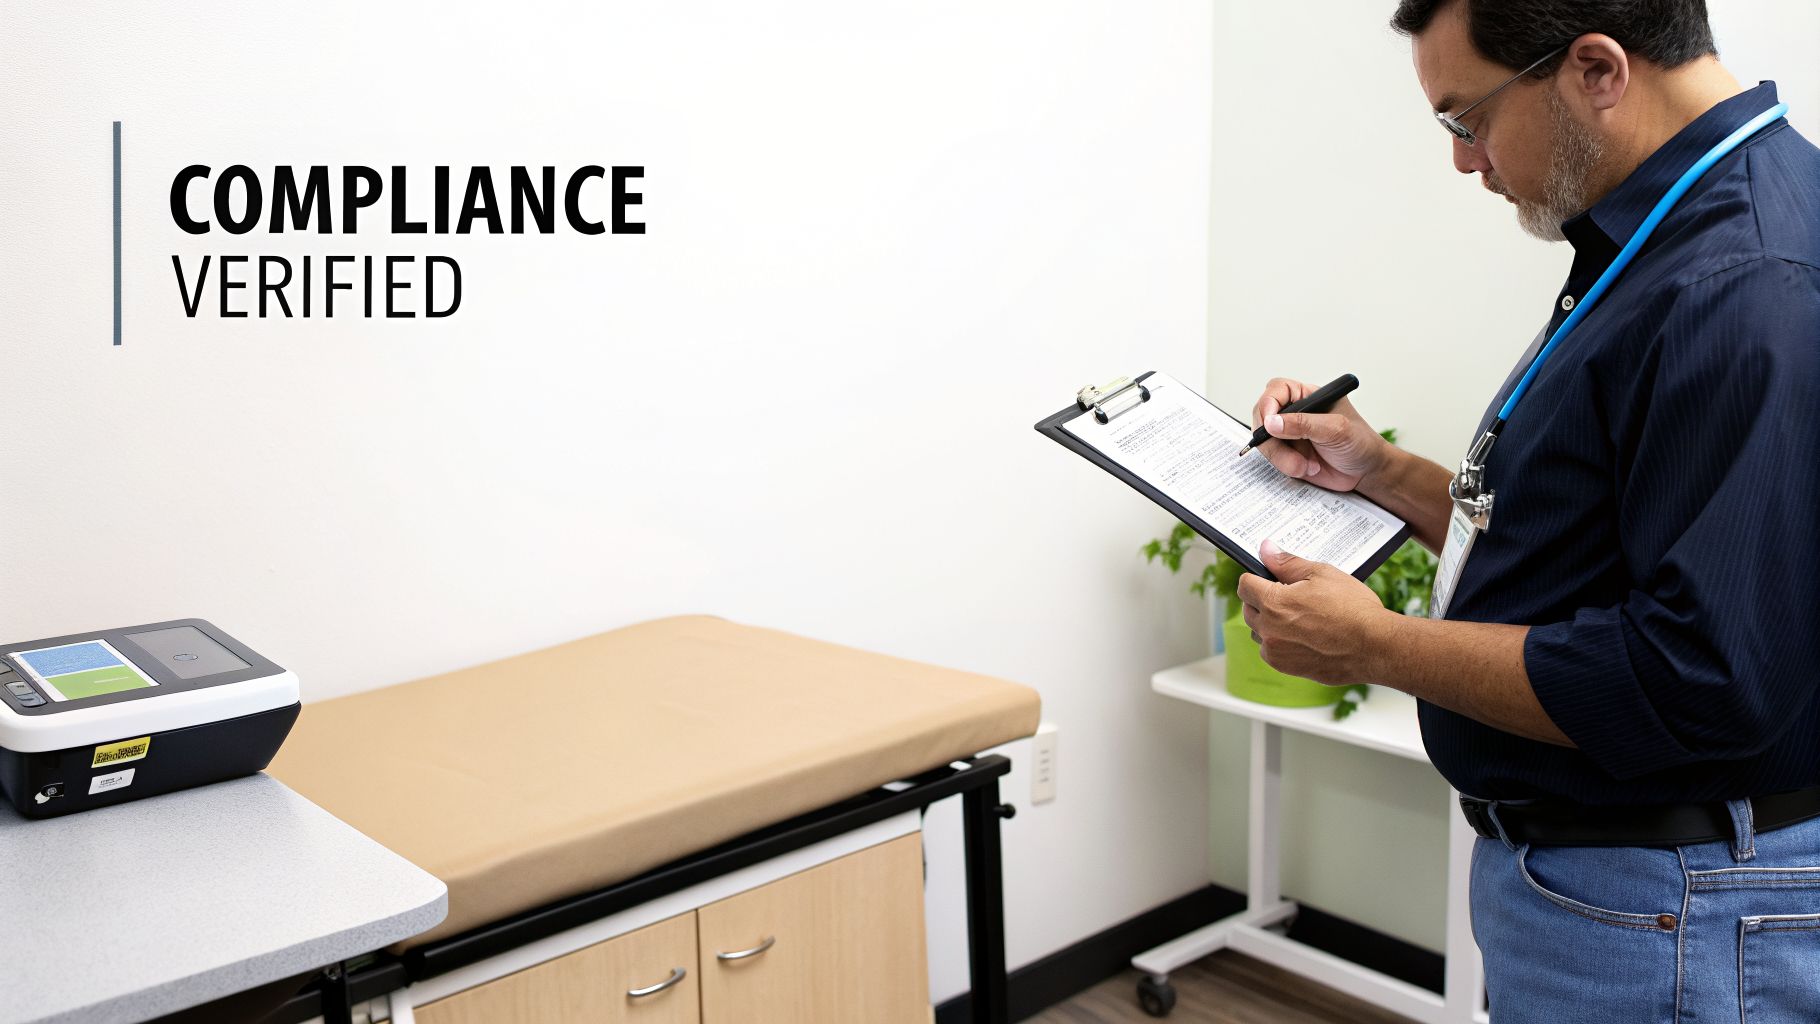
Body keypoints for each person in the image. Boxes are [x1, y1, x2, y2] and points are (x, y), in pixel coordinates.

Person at [1234, 1, 1820, 1019]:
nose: (1465, 163)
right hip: (1637, 888)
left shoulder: (1741, 282)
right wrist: (1377, 470)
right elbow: (1581, 534)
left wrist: (1374, 646)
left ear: (1594, 68)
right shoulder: (1673, 228)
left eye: (1466, 121)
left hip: (1668, 901)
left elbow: (1692, 677)